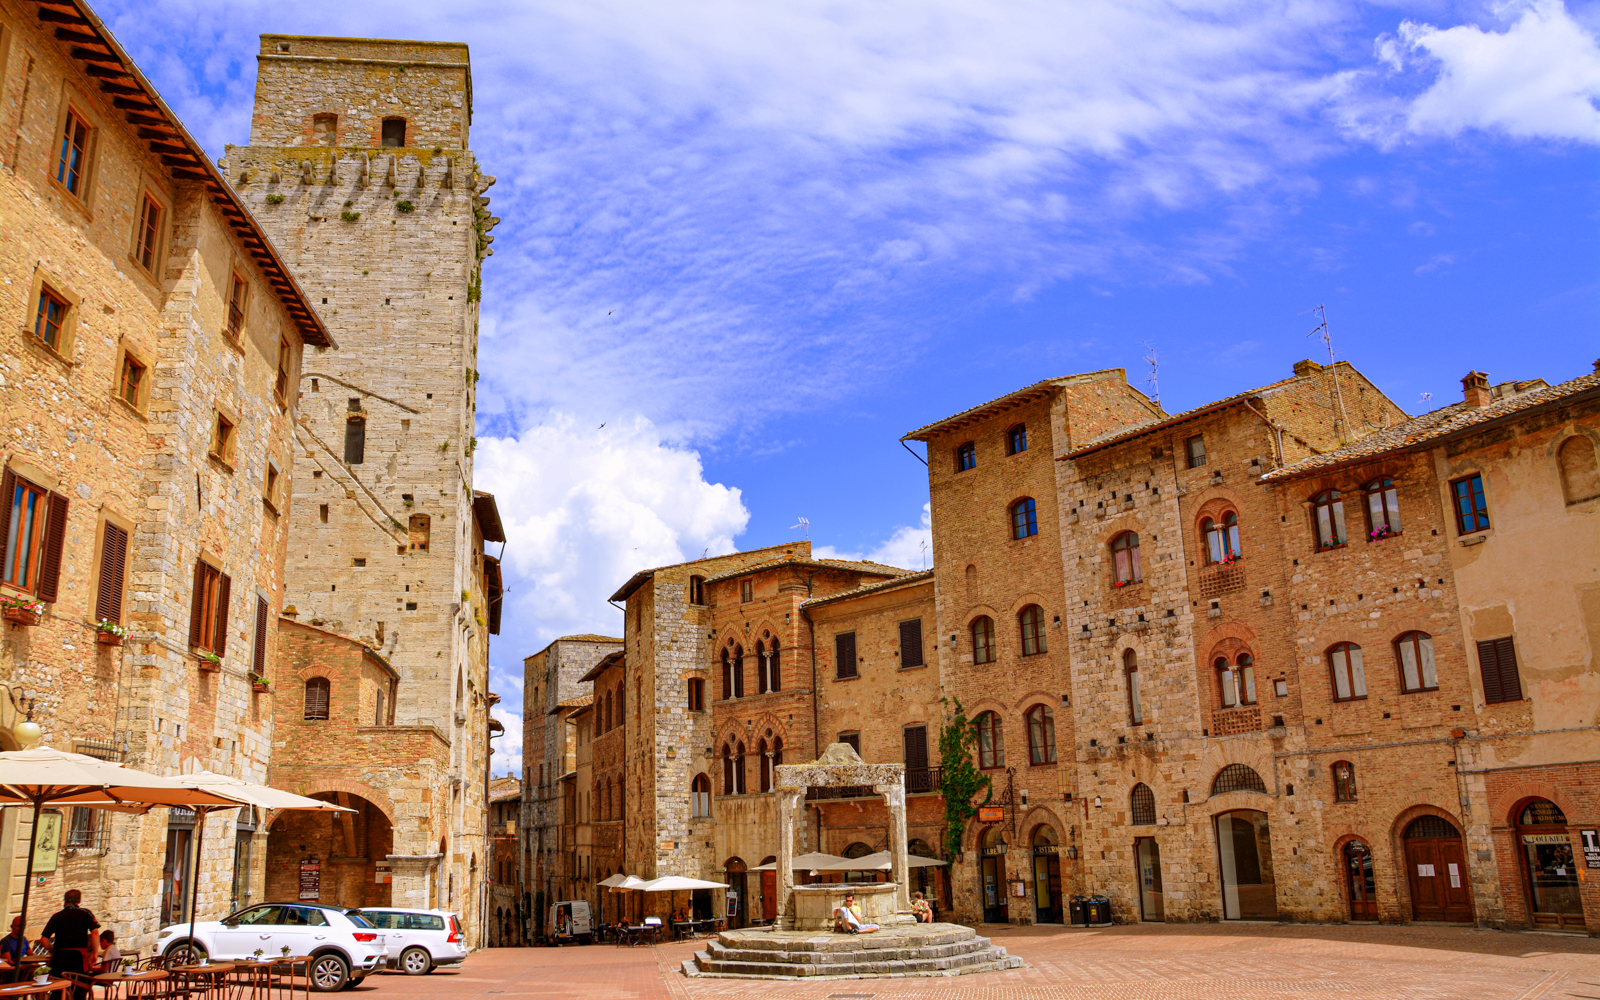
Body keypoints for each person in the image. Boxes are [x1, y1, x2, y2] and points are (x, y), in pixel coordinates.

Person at [40, 890, 98, 1000]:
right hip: (78, 958)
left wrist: (53, 950)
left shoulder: (56, 916)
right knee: (79, 990)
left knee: (58, 990)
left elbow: (43, 939)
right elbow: (94, 932)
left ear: (65, 900)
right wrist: (95, 953)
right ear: (79, 901)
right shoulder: (85, 913)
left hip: (59, 958)